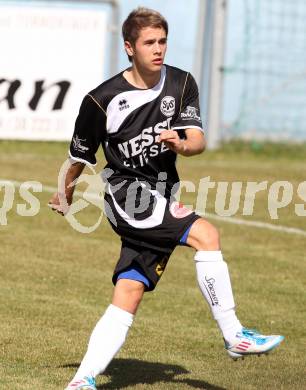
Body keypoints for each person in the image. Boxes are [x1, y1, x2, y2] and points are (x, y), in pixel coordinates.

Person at [49, 8, 284, 390]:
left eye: (162, 41)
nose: (158, 50)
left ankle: (82, 379)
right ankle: (235, 334)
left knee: (130, 287)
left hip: (162, 191)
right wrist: (65, 192)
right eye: (149, 43)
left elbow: (198, 139)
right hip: (127, 196)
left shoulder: (181, 82)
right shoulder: (101, 100)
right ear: (129, 47)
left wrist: (183, 145)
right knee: (206, 235)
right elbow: (79, 156)